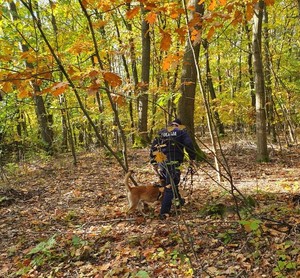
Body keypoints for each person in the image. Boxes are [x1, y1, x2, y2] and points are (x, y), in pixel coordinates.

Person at [150, 118, 196, 219]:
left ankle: (179, 201)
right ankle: (163, 213)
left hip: (161, 161)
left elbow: (153, 147)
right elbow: (189, 144)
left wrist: (153, 162)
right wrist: (192, 158)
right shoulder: (181, 132)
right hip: (174, 162)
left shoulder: (161, 132)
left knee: (169, 183)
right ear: (179, 125)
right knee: (170, 186)